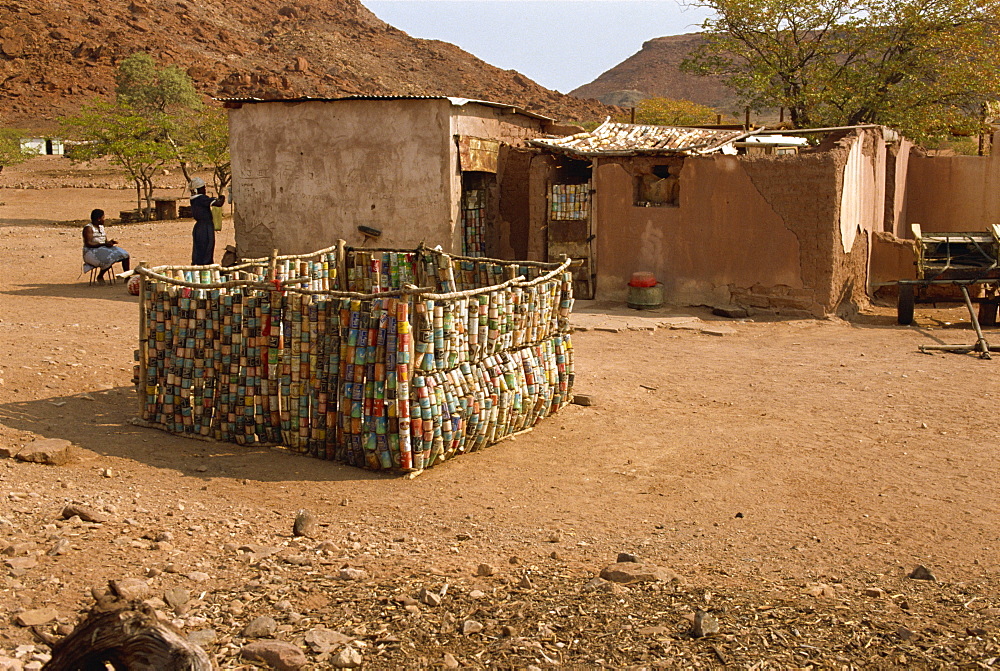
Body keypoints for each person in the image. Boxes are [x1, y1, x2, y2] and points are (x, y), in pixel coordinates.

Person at [82, 209, 130, 284]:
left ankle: (127, 277)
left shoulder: (101, 227)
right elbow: (89, 244)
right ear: (98, 219)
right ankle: (100, 276)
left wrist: (109, 243)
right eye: (103, 217)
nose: (104, 219)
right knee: (110, 257)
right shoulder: (88, 228)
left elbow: (104, 241)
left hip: (102, 248)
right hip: (91, 252)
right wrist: (104, 244)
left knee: (125, 255)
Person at [189, 177, 225, 265]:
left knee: (199, 248)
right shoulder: (201, 199)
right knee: (207, 247)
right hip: (205, 226)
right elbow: (219, 203)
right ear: (198, 189)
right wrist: (223, 196)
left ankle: (197, 267)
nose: (204, 189)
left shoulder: (193, 199)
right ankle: (205, 267)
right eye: (203, 188)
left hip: (199, 227)